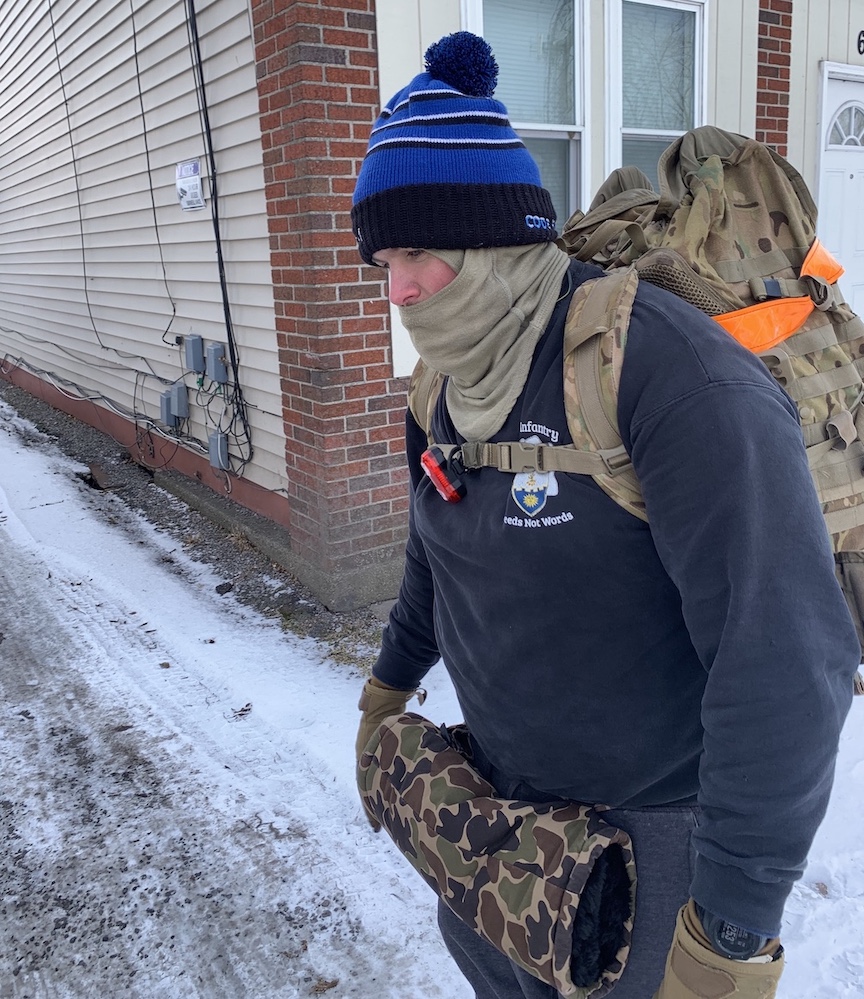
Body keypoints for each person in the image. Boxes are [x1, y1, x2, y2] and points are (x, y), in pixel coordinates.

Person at [351, 31, 860, 999]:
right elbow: (437, 547)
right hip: (497, 831)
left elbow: (787, 662)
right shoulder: (446, 384)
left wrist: (731, 930)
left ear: (493, 236)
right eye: (383, 259)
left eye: (417, 251)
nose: (398, 289)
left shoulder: (668, 376)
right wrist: (388, 686)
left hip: (649, 860)